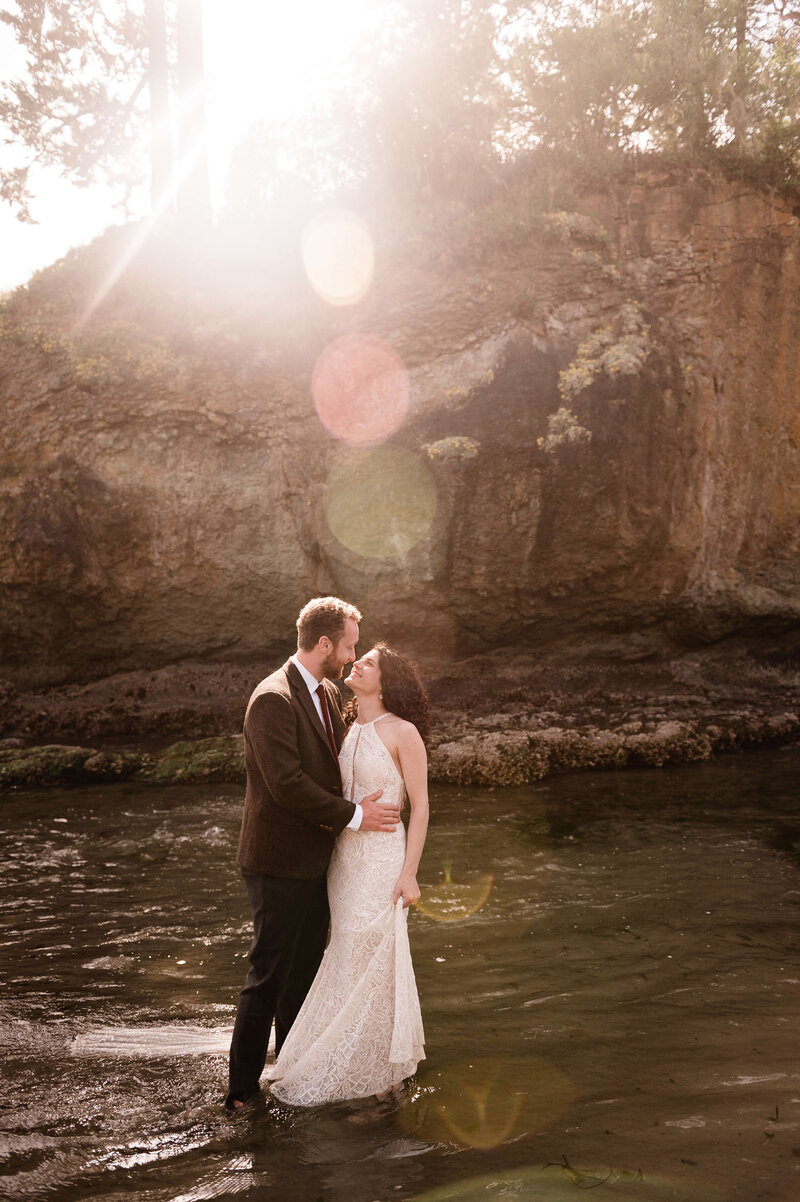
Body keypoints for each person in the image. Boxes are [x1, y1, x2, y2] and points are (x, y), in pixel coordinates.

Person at [226, 598, 401, 1112]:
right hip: (276, 860)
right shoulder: (271, 699)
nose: (351, 656)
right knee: (267, 975)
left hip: (318, 862)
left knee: (303, 973)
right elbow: (286, 785)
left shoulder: (326, 690)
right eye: (348, 647)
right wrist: (355, 815)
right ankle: (240, 1094)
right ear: (324, 644)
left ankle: (294, 1070)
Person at [266, 642, 429, 1106]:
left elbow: (421, 807)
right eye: (358, 657)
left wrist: (410, 873)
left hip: (382, 860)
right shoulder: (344, 727)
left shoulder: (403, 732)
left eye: (369, 662)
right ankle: (346, 1060)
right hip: (344, 860)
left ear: (387, 680)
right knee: (346, 954)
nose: (356, 663)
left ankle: (379, 1077)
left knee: (373, 957)